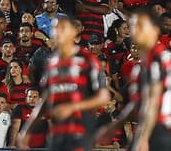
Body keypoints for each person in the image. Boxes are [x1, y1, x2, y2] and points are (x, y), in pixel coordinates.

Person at [17, 16, 110, 151]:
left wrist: (72, 107)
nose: (58, 32)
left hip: (80, 132)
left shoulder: (87, 59)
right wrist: (27, 129)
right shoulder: (52, 62)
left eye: (63, 28)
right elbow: (47, 98)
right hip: (57, 133)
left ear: (74, 32)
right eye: (55, 28)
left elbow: (103, 97)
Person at [99, 9, 171, 151]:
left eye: (141, 26)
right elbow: (138, 102)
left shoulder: (156, 59)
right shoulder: (143, 61)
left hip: (157, 131)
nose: (135, 30)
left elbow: (152, 102)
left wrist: (143, 137)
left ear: (154, 29)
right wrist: (116, 125)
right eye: (134, 26)